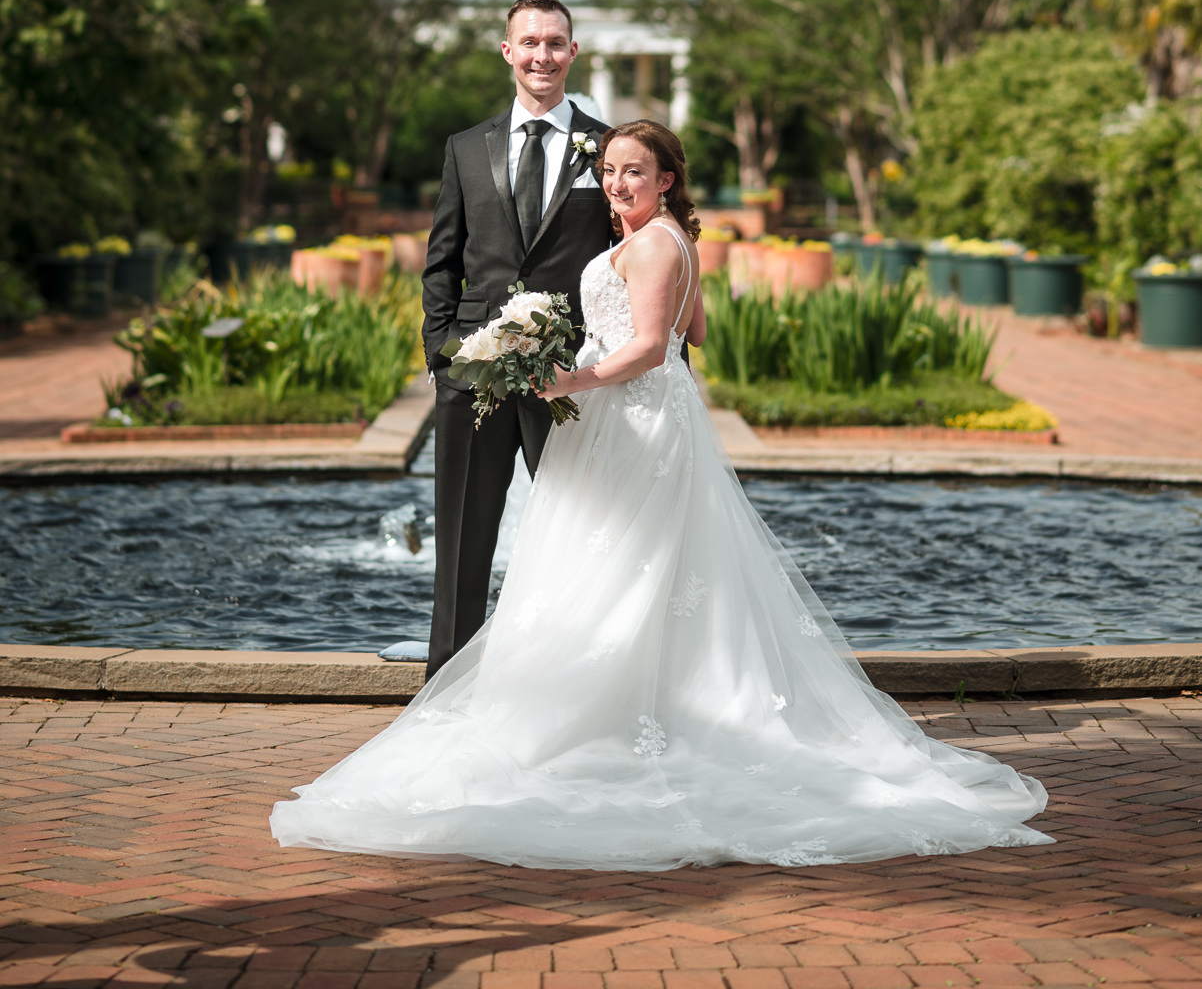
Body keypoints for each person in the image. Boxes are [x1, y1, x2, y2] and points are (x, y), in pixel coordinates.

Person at [272, 120, 1050, 869]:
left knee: (616, 568)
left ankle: (600, 717)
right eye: (608, 172)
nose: (616, 184)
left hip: (633, 422)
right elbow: (695, 333)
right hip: (653, 418)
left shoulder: (648, 244)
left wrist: (572, 372)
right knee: (646, 570)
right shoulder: (671, 240)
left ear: (666, 179)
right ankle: (649, 704)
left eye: (633, 172)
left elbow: (648, 348)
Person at [418, 0, 612, 675]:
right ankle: (445, 680)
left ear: (573, 52)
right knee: (465, 532)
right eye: (529, 42)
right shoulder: (466, 149)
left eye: (554, 43)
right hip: (474, 369)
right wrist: (443, 354)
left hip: (573, 371)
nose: (542, 55)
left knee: (586, 530)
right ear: (508, 52)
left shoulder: (607, 148)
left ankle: (582, 677)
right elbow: (442, 258)